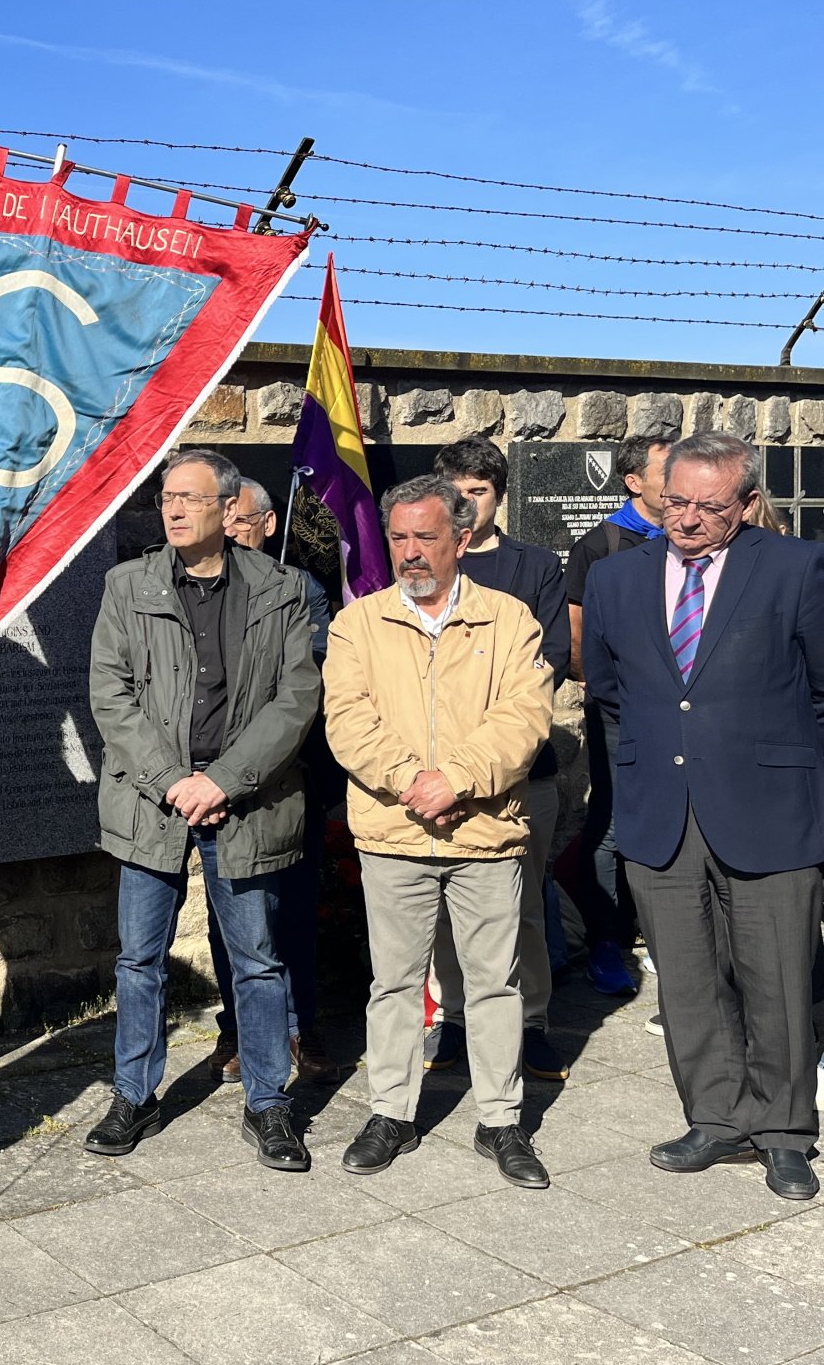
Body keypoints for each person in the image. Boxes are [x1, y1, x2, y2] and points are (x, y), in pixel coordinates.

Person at [583, 432, 824, 1202]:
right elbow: (611, 688)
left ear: (748, 503)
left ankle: (785, 1131)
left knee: (778, 975)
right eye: (675, 500)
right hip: (660, 808)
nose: (686, 518)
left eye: (708, 506)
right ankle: (715, 1116)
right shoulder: (618, 578)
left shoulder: (796, 568)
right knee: (686, 977)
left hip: (770, 809)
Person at [85, 449, 321, 1169]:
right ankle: (135, 1094)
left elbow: (296, 697)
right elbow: (110, 694)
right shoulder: (127, 585)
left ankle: (268, 1102)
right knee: (139, 959)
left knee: (255, 960)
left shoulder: (280, 589)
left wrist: (222, 780)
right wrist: (170, 778)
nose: (174, 509)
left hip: (243, 804)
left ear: (228, 507)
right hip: (150, 803)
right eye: (166, 498)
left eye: (189, 497)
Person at [323, 475, 555, 1188]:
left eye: (427, 536)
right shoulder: (356, 623)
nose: (411, 551)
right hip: (393, 834)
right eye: (399, 538)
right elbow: (348, 721)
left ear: (461, 538)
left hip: (484, 833)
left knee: (493, 983)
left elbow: (525, 718)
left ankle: (502, 1119)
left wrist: (457, 777)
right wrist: (414, 783)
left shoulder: (509, 620)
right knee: (392, 983)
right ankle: (391, 1111)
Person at [426, 438, 571, 1083]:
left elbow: (548, 663)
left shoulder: (532, 565)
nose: (465, 502)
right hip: (434, 777)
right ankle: (454, 1020)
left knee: (523, 905)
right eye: (455, 490)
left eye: (478, 491)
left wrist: (485, 738)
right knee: (442, 908)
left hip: (517, 772)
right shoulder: (422, 563)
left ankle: (533, 1022)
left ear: (498, 495)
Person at [208, 476, 343, 1083]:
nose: (229, 530)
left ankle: (300, 1025)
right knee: (227, 912)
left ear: (267, 524)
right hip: (218, 786)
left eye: (239, 521)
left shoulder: (302, 591)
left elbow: (305, 681)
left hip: (291, 777)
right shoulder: (202, 589)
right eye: (224, 519)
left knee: (292, 907)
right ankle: (236, 1029)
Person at [565, 434, 672, 996]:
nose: (676, 479)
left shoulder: (686, 537)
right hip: (620, 710)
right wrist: (613, 694)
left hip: (678, 710)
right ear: (635, 482)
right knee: (609, 821)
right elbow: (578, 640)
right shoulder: (603, 545)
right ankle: (609, 938)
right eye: (665, 470)